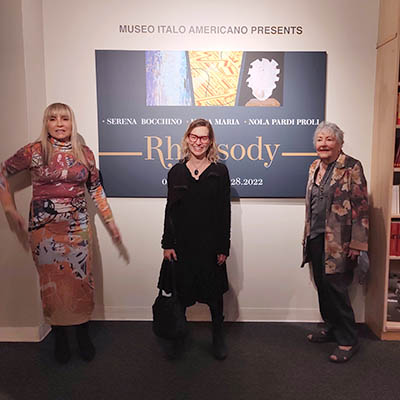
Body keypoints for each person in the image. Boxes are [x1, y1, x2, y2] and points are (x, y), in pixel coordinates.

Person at [0, 103, 121, 363]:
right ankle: (60, 339)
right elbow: (3, 171)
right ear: (46, 123)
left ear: (71, 122)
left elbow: (96, 189)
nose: (59, 124)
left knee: (81, 281)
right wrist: (9, 208)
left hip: (78, 228)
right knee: (52, 286)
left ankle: (82, 335)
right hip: (44, 230)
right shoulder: (34, 152)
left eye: (64, 118)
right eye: (52, 119)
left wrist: (110, 222)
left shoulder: (84, 153)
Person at [161, 118, 231, 360]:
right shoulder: (176, 171)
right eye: (194, 136)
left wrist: (224, 246)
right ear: (187, 139)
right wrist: (166, 243)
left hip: (210, 246)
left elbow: (224, 212)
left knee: (214, 298)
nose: (198, 142)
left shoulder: (220, 171)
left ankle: (218, 338)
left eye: (204, 137)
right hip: (182, 245)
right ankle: (179, 337)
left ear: (210, 141)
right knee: (181, 297)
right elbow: (170, 210)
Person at [301, 121, 369, 363]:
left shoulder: (352, 167)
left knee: (337, 288)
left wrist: (358, 244)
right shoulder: (313, 166)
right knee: (322, 284)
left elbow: (361, 208)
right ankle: (331, 327)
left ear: (340, 143)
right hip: (316, 237)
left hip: (341, 241)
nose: (323, 144)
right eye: (320, 139)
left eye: (329, 139)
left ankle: (348, 339)